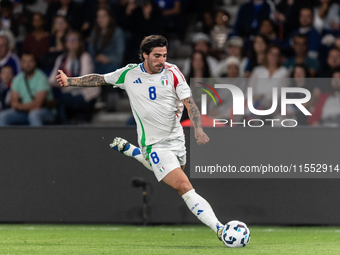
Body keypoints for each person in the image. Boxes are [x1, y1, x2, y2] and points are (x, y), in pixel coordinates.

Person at [56, 35, 225, 241]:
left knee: (175, 177)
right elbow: (100, 78)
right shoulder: (128, 74)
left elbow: (189, 103)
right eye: (156, 56)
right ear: (144, 54)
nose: (162, 60)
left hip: (177, 140)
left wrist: (198, 129)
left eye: (164, 55)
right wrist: (70, 81)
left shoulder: (173, 73)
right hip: (154, 144)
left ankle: (133, 151)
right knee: (184, 187)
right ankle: (220, 230)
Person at [49, 31, 98, 122]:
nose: (71, 42)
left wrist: (65, 85)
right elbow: (52, 80)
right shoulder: (61, 58)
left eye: (74, 40)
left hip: (85, 95)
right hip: (66, 92)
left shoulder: (85, 57)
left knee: (61, 99)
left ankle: (64, 125)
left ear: (80, 42)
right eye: (69, 39)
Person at [0, 53, 55, 126]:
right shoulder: (17, 79)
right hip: (24, 112)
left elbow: (38, 105)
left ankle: (39, 137)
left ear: (35, 63)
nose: (27, 64)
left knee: (33, 115)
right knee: (3, 116)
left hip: (45, 111)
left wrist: (20, 106)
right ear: (21, 64)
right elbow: (14, 103)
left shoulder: (41, 78)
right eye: (25, 62)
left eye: (30, 61)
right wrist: (22, 107)